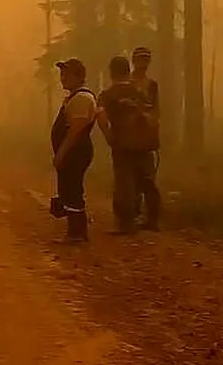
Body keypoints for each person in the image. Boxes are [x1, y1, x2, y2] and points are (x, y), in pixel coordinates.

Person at [96, 55, 162, 234]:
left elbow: (100, 114)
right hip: (145, 143)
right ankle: (153, 220)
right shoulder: (140, 91)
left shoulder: (108, 94)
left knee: (124, 182)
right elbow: (153, 114)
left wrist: (108, 135)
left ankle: (126, 223)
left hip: (122, 143)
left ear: (111, 73)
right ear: (127, 71)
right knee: (147, 180)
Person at [50, 58, 97, 242]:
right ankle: (75, 231)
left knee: (73, 189)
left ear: (79, 76)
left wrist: (62, 152)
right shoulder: (73, 97)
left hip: (76, 150)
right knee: (69, 189)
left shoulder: (82, 98)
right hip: (73, 150)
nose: (62, 78)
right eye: (62, 74)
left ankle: (77, 232)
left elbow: (76, 130)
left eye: (67, 74)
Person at [129, 45, 161, 230]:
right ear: (134, 61)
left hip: (146, 139)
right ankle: (132, 215)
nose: (143, 63)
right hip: (129, 137)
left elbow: (156, 111)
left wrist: (152, 126)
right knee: (130, 179)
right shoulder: (127, 83)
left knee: (147, 179)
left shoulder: (152, 85)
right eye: (140, 59)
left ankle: (152, 218)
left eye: (146, 59)